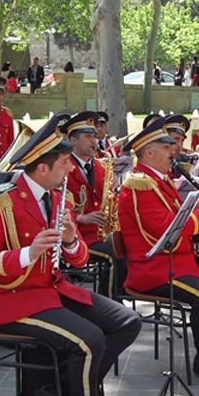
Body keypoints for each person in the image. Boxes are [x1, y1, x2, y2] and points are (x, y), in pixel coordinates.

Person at [0, 116, 141, 396]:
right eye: (65, 163)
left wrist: (69, 237)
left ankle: (62, 390)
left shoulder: (56, 197)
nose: (70, 169)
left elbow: (78, 261)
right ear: (42, 169)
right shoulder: (0, 198)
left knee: (127, 322)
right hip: (17, 300)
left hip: (53, 290)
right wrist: (29, 253)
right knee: (90, 339)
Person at [119, 116, 199, 385]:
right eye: (167, 148)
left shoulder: (161, 179)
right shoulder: (139, 184)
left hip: (179, 259)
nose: (173, 151)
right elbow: (164, 229)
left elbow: (179, 217)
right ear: (149, 151)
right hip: (153, 268)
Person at [64, 112, 120, 300]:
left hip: (100, 233)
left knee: (127, 247)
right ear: (73, 140)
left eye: (95, 136)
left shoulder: (102, 167)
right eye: (88, 137)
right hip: (77, 235)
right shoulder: (62, 167)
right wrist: (80, 218)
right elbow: (53, 207)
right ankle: (112, 304)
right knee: (113, 256)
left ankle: (115, 295)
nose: (94, 141)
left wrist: (114, 193)